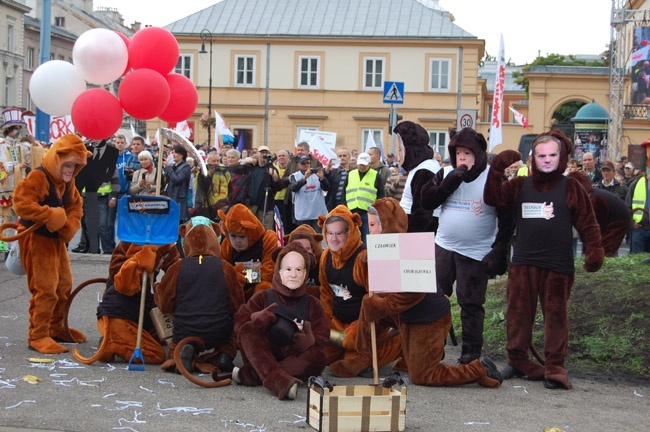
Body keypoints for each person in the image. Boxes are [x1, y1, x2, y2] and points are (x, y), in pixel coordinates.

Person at [484, 129, 604, 390]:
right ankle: (517, 360)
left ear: (560, 156)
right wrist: (496, 169)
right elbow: (493, 198)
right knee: (518, 313)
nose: (547, 159)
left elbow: (588, 222)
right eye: (541, 155)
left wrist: (594, 250)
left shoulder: (571, 186)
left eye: (552, 155)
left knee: (556, 316)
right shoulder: (520, 185)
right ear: (533, 158)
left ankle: (555, 366)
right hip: (524, 262)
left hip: (558, 265)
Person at [355, 197, 503, 388]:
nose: (370, 231)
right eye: (369, 224)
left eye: (374, 224)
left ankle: (478, 369)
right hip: (404, 315)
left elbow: (413, 294)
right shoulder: (379, 251)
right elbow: (372, 289)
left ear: (387, 224)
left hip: (428, 319)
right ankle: (363, 358)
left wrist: (379, 306)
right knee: (369, 308)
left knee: (424, 376)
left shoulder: (410, 249)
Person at [414, 128, 514, 364]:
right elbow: (426, 201)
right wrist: (450, 181)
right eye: (458, 153)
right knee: (434, 298)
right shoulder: (446, 172)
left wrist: (500, 251)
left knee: (470, 303)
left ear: (478, 154)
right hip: (444, 246)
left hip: (476, 251)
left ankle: (470, 351)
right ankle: (433, 347)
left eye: (467, 153)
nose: (462, 158)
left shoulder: (492, 177)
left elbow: (507, 219)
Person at [11, 134, 91, 354]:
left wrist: (70, 224)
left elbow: (76, 205)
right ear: (57, 158)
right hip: (36, 239)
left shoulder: (69, 182)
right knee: (45, 289)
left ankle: (56, 327)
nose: (70, 170)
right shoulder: (39, 177)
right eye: (67, 165)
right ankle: (38, 335)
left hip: (56, 240)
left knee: (64, 286)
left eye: (75, 166)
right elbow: (21, 202)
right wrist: (48, 215)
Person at [233, 243, 329, 400]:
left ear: (305, 273)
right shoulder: (263, 296)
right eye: (288, 269)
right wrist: (255, 318)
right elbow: (238, 324)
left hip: (294, 357)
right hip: (263, 350)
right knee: (248, 329)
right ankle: (278, 381)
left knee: (318, 357)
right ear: (279, 272)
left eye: (298, 270)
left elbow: (323, 335)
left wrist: (311, 340)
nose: (293, 274)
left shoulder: (313, 303)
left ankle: (252, 374)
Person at [317, 205, 401, 378]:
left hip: (361, 325)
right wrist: (326, 321)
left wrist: (361, 332)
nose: (333, 238)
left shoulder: (362, 258)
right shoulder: (325, 257)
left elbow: (377, 301)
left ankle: (399, 344)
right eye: (330, 233)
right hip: (338, 322)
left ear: (351, 231)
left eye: (339, 233)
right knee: (320, 355)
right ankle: (344, 346)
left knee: (351, 348)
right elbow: (325, 293)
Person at [155, 217, 244, 374]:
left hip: (185, 329)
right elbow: (236, 305)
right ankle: (224, 354)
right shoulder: (226, 268)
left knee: (177, 342)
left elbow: (164, 304)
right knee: (229, 336)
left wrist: (157, 290)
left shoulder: (177, 268)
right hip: (218, 329)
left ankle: (183, 350)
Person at [74, 241, 180, 365]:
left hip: (140, 306)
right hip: (117, 313)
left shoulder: (167, 244)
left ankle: (122, 339)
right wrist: (139, 260)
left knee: (161, 337)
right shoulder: (129, 241)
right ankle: (111, 345)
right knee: (155, 355)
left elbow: (175, 273)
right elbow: (122, 284)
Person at [217, 203, 279, 300]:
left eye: (242, 236)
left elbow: (270, 273)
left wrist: (243, 277)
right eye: (233, 236)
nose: (237, 241)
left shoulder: (268, 239)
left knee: (265, 287)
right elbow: (221, 271)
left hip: (259, 289)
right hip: (238, 289)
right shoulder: (226, 244)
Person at [393, 121, 441, 232]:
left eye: (400, 150)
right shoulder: (421, 168)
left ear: (410, 150)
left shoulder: (424, 171)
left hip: (419, 233)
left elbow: (422, 213)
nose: (398, 154)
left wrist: (412, 238)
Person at [569, 171, 631, 257]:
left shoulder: (594, 200)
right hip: (613, 219)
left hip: (618, 221)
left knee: (604, 250)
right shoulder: (591, 196)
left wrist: (588, 252)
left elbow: (596, 227)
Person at [0, 107, 28, 253]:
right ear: (9, 130)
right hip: (4, 188)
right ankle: (3, 245)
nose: (17, 132)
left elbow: (33, 157)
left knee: (14, 218)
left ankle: (11, 247)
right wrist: (17, 166)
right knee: (3, 218)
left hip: (18, 186)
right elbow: (2, 165)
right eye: (16, 128)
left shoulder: (20, 146)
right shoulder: (1, 144)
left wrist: (33, 144)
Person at [344, 152, 384, 241]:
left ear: (369, 164)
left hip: (367, 213)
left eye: (364, 165)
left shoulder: (375, 175)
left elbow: (381, 196)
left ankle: (366, 254)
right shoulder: (351, 174)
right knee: (351, 239)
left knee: (367, 239)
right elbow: (344, 192)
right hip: (351, 212)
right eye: (360, 165)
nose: (361, 167)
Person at [289, 154, 329, 230]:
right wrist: (304, 178)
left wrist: (322, 178)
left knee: (317, 237)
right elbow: (293, 188)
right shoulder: (294, 176)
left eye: (308, 163)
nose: (306, 165)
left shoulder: (316, 175)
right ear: (298, 165)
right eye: (303, 163)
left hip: (317, 213)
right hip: (303, 214)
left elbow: (326, 188)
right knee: (306, 236)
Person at [284, 223, 323, 299]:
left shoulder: (323, 265)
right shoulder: (284, 266)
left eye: (307, 249)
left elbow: (326, 292)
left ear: (313, 249)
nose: (303, 252)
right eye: (299, 248)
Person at [626, 140, 650, 254]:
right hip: (639, 230)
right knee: (637, 264)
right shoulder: (636, 184)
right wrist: (632, 223)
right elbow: (627, 207)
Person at [193, 150, 230, 220]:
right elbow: (199, 191)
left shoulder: (225, 171)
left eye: (217, 161)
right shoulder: (202, 173)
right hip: (208, 207)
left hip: (222, 207)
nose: (216, 163)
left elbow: (230, 188)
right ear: (208, 161)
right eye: (213, 161)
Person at [163, 144, 192, 223]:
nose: (173, 155)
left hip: (179, 199)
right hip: (171, 197)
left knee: (178, 222)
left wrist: (168, 168)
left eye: (176, 153)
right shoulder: (173, 166)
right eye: (173, 153)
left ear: (182, 155)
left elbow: (177, 179)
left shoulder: (186, 167)